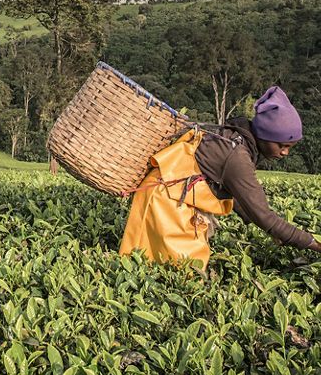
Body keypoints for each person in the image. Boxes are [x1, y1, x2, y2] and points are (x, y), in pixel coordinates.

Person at [119, 86, 321, 268]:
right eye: (281, 145)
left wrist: (275, 232)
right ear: (264, 135)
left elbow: (240, 201)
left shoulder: (233, 137)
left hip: (165, 195)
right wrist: (312, 243)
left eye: (289, 148)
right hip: (167, 203)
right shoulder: (237, 158)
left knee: (153, 264)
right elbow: (264, 215)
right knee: (182, 272)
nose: (284, 153)